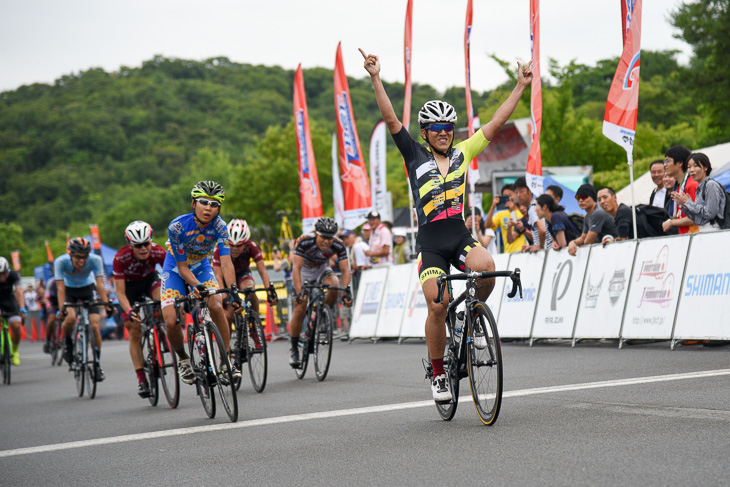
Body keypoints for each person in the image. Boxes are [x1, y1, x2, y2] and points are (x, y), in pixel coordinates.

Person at [361, 47, 531, 402]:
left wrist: (520, 87)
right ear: (425, 132)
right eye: (436, 128)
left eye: (448, 127)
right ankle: (439, 375)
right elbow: (392, 120)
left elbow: (497, 122)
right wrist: (376, 78)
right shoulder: (413, 153)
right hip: (431, 244)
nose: (444, 133)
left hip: (459, 235)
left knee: (486, 268)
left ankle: (469, 319)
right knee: (437, 305)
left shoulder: (463, 152)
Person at [160, 181, 241, 385]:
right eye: (204, 202)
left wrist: (233, 291)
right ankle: (184, 359)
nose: (208, 208)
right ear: (193, 203)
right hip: (176, 268)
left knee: (216, 303)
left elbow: (226, 262)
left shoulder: (221, 226)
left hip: (202, 266)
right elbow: (182, 268)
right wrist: (197, 285)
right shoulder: (177, 227)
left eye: (214, 204)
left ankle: (225, 362)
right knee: (170, 319)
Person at [112, 221, 167, 398]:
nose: (143, 249)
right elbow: (120, 293)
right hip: (129, 289)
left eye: (146, 244)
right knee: (134, 332)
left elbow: (172, 275)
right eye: (138, 246)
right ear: (130, 245)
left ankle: (161, 329)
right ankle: (142, 379)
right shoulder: (120, 258)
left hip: (150, 280)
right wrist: (128, 311)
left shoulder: (158, 251)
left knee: (164, 301)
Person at [288, 217, 352, 367]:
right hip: (303, 274)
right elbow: (296, 269)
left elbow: (345, 269)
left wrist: (346, 293)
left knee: (335, 284)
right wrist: (299, 292)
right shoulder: (304, 242)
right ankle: (294, 349)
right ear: (316, 233)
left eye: (330, 238)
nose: (326, 241)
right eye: (323, 237)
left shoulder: (338, 245)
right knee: (300, 308)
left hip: (322, 271)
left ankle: (323, 314)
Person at [55, 238, 114, 379]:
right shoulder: (60, 262)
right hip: (69, 291)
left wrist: (106, 303)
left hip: (88, 288)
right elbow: (60, 288)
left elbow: (100, 285)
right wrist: (62, 308)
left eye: (84, 257)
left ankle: (97, 364)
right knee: (69, 318)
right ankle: (68, 343)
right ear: (71, 254)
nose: (81, 261)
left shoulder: (96, 260)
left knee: (94, 325)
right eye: (78, 257)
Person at [212, 219, 277, 329]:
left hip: (242, 274)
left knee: (250, 290)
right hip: (224, 278)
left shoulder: (251, 246)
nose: (235, 249)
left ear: (246, 243)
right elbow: (218, 275)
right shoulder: (220, 248)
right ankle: (228, 341)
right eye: (232, 245)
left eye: (239, 245)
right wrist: (224, 296)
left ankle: (254, 326)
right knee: (228, 315)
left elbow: (263, 270)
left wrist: (269, 290)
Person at [671, 153, 726, 232]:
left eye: (696, 166)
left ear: (706, 167)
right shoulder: (700, 187)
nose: (691, 170)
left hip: (714, 230)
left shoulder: (710, 185)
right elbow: (697, 219)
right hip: (703, 230)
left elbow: (710, 214)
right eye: (689, 167)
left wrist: (689, 202)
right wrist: (686, 205)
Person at [568, 184, 619, 256]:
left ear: (593, 198)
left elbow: (588, 242)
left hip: (618, 247)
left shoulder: (598, 213)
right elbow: (583, 237)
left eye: (584, 197)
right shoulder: (587, 216)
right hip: (609, 247)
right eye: (578, 197)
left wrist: (575, 243)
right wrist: (573, 242)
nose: (580, 200)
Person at [663, 145, 698, 234]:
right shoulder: (679, 186)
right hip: (684, 236)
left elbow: (695, 217)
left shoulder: (691, 184)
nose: (665, 165)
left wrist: (672, 222)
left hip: (694, 237)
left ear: (680, 163)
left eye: (668, 161)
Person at [485, 184, 527, 253]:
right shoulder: (500, 214)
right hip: (508, 253)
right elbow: (487, 225)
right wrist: (493, 206)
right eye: (505, 196)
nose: (508, 198)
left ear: (516, 195)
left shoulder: (522, 211)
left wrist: (514, 209)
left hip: (522, 251)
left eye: (510, 195)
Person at [513, 177, 550, 253]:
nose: (518, 195)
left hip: (547, 252)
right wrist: (532, 246)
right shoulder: (535, 205)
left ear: (530, 191)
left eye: (521, 191)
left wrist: (540, 246)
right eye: (516, 192)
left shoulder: (533, 208)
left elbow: (543, 230)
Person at [0, 256, 26, 366]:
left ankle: (14, 351)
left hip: (9, 301)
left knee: (16, 325)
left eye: (3, 273)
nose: (2, 277)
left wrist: (22, 308)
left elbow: (19, 292)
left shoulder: (13, 275)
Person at [42, 277, 59, 354]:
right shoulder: (51, 282)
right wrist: (48, 304)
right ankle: (48, 339)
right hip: (53, 302)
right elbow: (46, 298)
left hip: (64, 300)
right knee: (52, 319)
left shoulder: (68, 279)